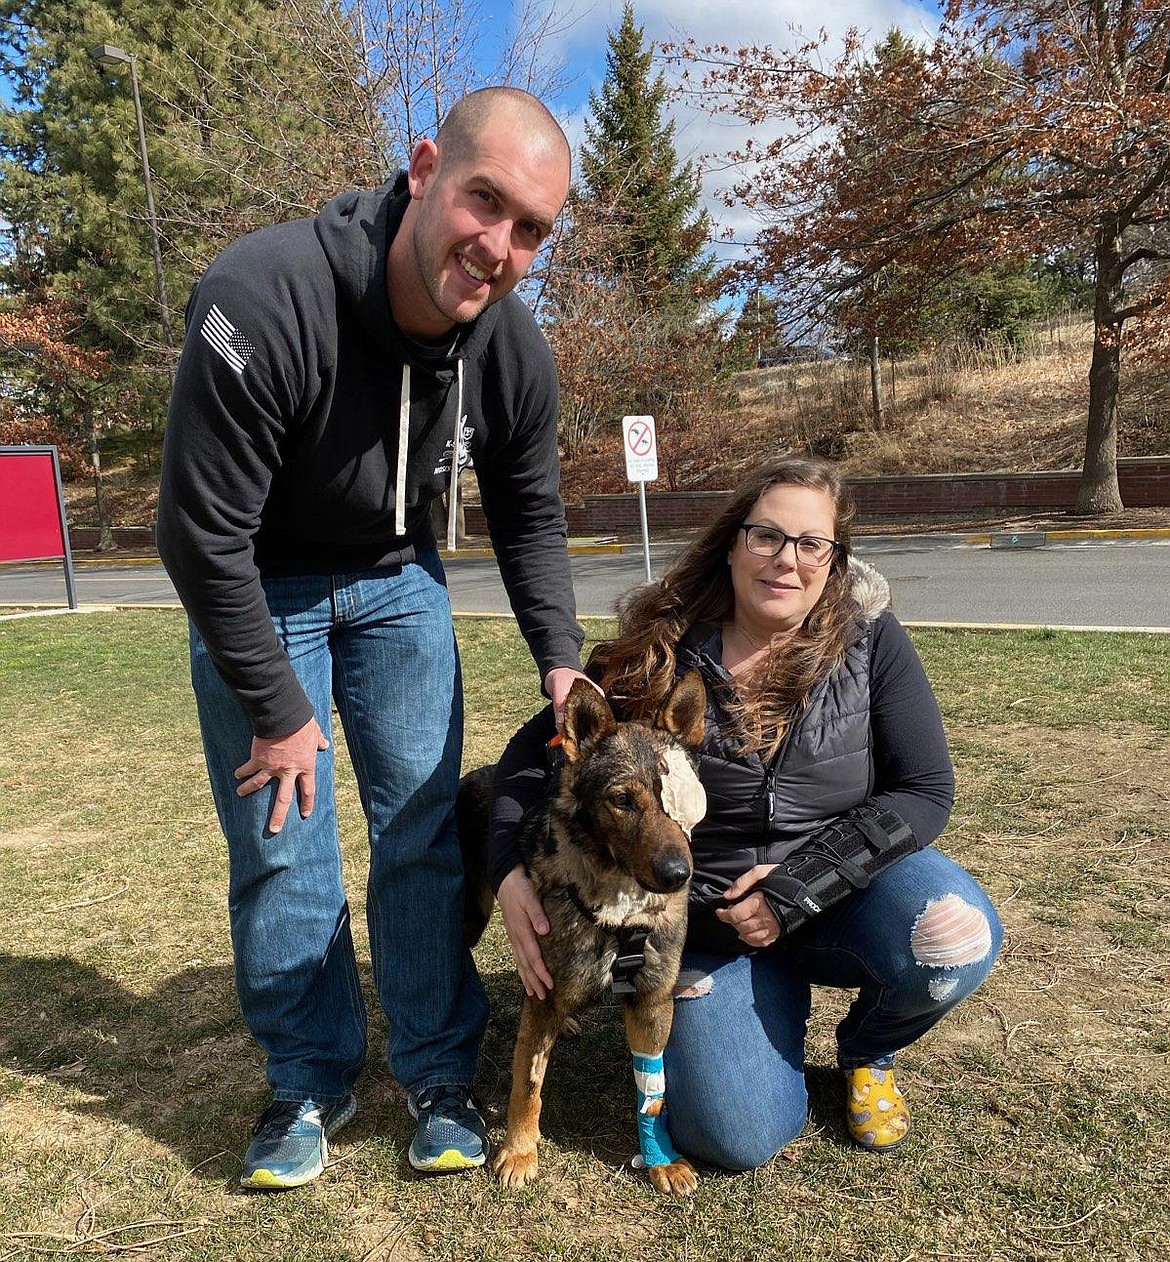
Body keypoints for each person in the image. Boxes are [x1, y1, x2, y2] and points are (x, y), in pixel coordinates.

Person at [156, 87, 590, 1189]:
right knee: (281, 838)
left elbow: (530, 514)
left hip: (400, 584)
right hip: (257, 584)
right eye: (484, 200)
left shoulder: (510, 353)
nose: (497, 247)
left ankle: (440, 1071)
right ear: (425, 167)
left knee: (421, 835)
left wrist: (561, 652)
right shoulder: (261, 298)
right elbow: (198, 534)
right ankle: (308, 1074)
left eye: (530, 228)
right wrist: (279, 707)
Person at [489, 456, 1003, 1169]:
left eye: (811, 543)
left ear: (835, 559)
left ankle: (868, 1049)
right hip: (705, 924)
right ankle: (761, 1017)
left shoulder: (870, 641)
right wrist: (506, 871)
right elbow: (527, 757)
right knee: (737, 1137)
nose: (786, 560)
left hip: (839, 894)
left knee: (955, 933)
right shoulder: (657, 653)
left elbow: (924, 789)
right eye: (767, 536)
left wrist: (798, 888)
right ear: (732, 542)